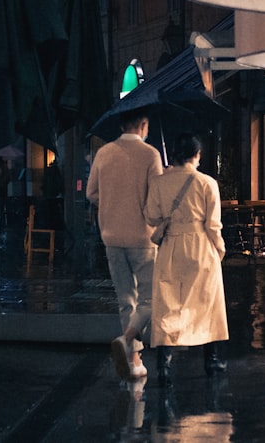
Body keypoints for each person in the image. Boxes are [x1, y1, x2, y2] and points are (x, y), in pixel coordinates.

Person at [144, 133, 228, 387]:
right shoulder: (207, 183)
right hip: (201, 246)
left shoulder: (159, 183)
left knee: (169, 305)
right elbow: (213, 225)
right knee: (208, 304)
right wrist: (220, 249)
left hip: (171, 247)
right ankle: (211, 361)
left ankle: (164, 365)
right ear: (197, 155)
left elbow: (150, 216)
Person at [86, 108, 164, 380]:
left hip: (111, 236)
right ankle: (128, 339)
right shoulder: (151, 154)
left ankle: (134, 360)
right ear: (143, 125)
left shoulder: (103, 153)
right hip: (143, 237)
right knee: (150, 299)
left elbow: (91, 192)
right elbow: (156, 197)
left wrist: (110, 203)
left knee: (125, 300)